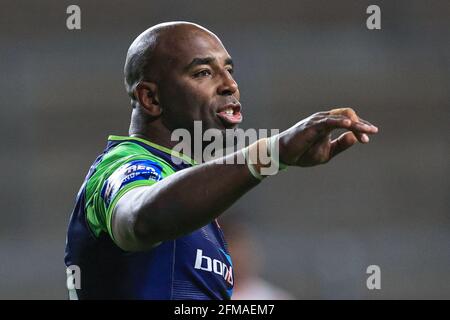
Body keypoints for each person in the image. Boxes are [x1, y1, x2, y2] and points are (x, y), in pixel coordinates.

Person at [64, 21, 378, 300]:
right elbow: (142, 218)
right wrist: (273, 152)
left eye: (229, 69)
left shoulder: (197, 203)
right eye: (203, 72)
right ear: (151, 98)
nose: (229, 85)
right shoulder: (121, 166)